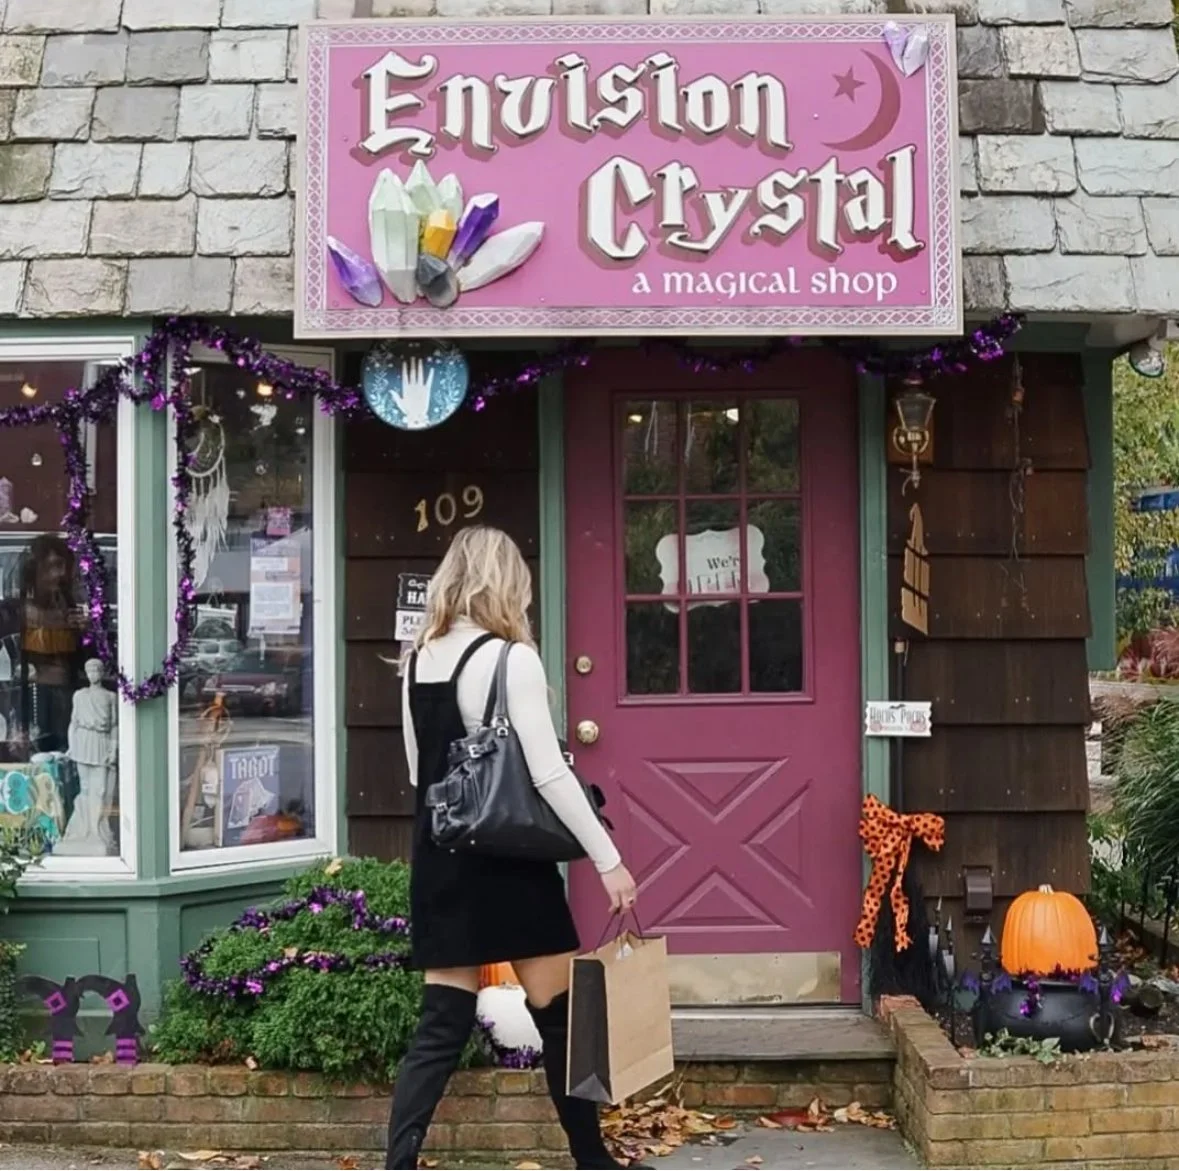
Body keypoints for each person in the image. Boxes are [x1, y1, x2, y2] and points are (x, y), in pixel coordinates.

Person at [385, 525, 641, 1171]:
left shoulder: (417, 655)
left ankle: (399, 1160)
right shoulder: (511, 658)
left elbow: (420, 771)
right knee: (558, 1019)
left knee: (440, 1024)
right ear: (509, 583)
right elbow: (549, 773)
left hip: (442, 855)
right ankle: (591, 1159)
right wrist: (607, 859)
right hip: (510, 860)